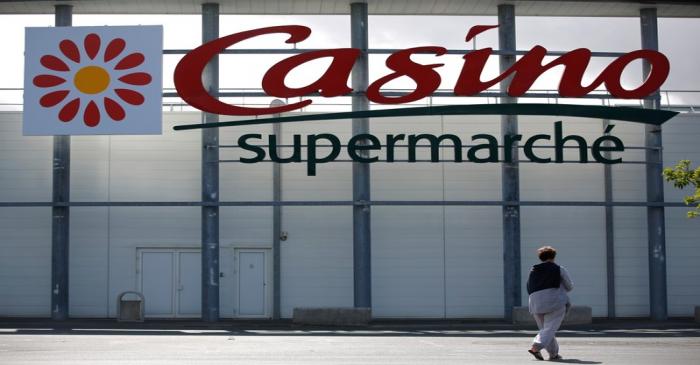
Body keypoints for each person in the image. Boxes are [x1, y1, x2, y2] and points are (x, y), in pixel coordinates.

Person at [526, 246, 574, 361]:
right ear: (553, 257)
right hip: (554, 301)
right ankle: (535, 347)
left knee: (546, 330)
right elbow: (569, 286)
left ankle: (553, 354)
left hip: (535, 303)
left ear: (541, 258)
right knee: (549, 329)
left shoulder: (533, 270)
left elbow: (529, 286)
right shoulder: (559, 269)